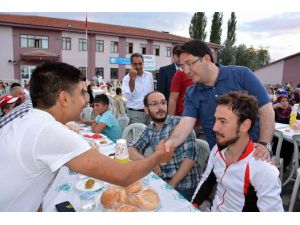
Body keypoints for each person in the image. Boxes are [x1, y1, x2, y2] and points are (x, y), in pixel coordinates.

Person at [0, 62, 172, 211]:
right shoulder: (48, 130)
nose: (86, 100)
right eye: (82, 92)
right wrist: (157, 157)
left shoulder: (28, 120)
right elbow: (122, 175)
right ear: (64, 98)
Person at [164, 40, 273, 159]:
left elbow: (266, 109)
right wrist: (170, 143)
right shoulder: (192, 93)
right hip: (220, 159)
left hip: (255, 154)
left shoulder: (241, 75)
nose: (186, 71)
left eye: (189, 64)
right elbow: (185, 124)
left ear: (206, 59)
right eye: (182, 66)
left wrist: (264, 144)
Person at [191, 92, 283, 212]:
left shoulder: (262, 168)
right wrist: (192, 206)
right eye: (216, 120)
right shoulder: (217, 150)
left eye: (223, 121)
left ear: (245, 125)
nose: (215, 128)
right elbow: (206, 181)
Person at [128, 91, 201, 201]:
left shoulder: (180, 124)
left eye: (163, 103)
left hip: (184, 186)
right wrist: (150, 162)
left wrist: (171, 185)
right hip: (162, 182)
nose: (160, 107)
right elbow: (130, 149)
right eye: (154, 104)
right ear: (146, 110)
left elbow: (190, 158)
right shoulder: (150, 129)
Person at [122, 53, 153, 125]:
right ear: (131, 65)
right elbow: (127, 96)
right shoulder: (126, 79)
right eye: (135, 64)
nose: (138, 66)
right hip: (135, 114)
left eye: (140, 63)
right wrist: (132, 79)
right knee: (136, 136)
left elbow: (151, 93)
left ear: (143, 63)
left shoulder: (149, 75)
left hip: (148, 113)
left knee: (148, 135)